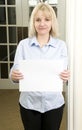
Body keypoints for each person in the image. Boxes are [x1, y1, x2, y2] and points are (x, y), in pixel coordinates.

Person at [9, 2, 70, 130]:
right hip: (29, 104)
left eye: (47, 19)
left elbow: (63, 76)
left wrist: (65, 76)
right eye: (38, 20)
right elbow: (14, 74)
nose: (42, 23)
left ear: (52, 22)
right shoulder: (23, 45)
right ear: (33, 22)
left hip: (54, 104)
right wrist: (13, 75)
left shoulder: (61, 46)